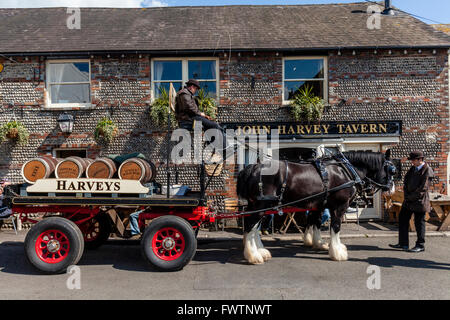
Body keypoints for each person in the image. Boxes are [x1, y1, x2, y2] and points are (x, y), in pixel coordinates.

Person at [389, 151, 434, 252]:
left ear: (419, 159)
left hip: (419, 201)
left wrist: (411, 197)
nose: (412, 162)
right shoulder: (413, 168)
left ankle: (420, 245)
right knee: (403, 219)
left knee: (419, 223)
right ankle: (403, 243)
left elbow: (423, 188)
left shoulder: (427, 170)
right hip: (409, 201)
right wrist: (407, 196)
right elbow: (406, 181)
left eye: (413, 160)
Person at [175, 79, 231, 154]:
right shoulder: (184, 93)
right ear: (192, 87)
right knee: (215, 125)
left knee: (211, 126)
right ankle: (225, 149)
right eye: (196, 89)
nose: (196, 91)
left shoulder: (186, 94)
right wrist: (200, 113)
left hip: (191, 118)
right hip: (189, 119)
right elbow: (189, 107)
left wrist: (202, 114)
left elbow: (191, 107)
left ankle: (213, 145)